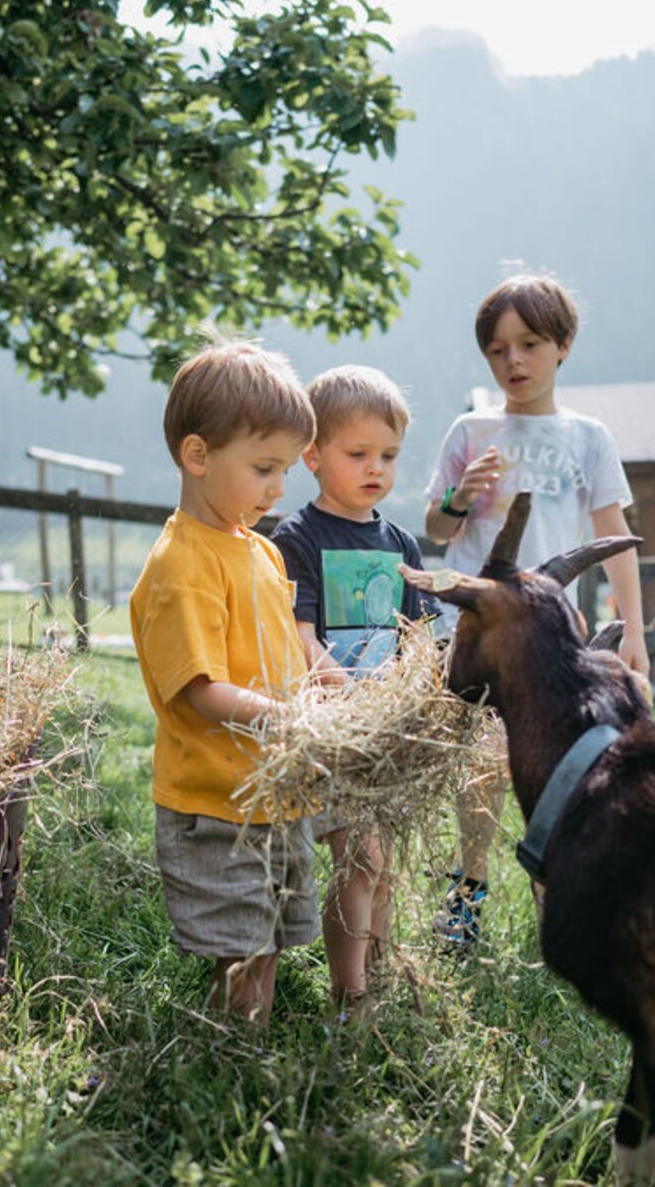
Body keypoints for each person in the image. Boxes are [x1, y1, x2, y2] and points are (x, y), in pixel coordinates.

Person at [424, 272, 650, 950]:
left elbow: (617, 534)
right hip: (481, 639)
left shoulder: (588, 437)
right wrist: (461, 496)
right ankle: (467, 894)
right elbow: (435, 530)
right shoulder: (470, 430)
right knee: (482, 770)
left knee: (559, 769)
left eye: (529, 344)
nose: (513, 361)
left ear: (564, 347)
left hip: (554, 643)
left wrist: (633, 630)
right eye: (497, 349)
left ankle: (555, 897)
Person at [130, 338, 319, 1026]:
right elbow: (199, 691)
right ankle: (232, 1056)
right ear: (199, 455)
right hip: (216, 800)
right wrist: (291, 720)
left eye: (287, 470)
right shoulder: (182, 565)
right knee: (238, 940)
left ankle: (251, 1035)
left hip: (275, 788)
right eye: (264, 468)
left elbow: (282, 653)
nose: (278, 489)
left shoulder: (259, 549)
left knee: (268, 932)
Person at [272, 365, 438, 1011]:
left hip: (387, 736)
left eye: (389, 455)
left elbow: (419, 639)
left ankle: (383, 967)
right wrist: (351, 693)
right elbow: (299, 637)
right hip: (332, 733)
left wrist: (417, 693)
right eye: (358, 453)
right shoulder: (297, 538)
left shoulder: (399, 543)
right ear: (312, 455)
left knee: (382, 864)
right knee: (357, 860)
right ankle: (352, 993)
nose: (377, 468)